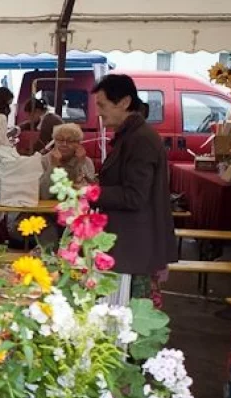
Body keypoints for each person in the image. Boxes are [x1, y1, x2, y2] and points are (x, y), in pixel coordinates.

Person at [92, 74, 176, 307]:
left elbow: (135, 196)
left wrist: (91, 192)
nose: (98, 112)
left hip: (134, 249)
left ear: (125, 102)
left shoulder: (140, 139)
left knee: (130, 321)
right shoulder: (130, 136)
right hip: (129, 246)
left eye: (102, 105)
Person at [39, 123, 95, 200]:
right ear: (54, 141)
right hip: (48, 209)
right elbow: (43, 195)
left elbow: (89, 192)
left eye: (70, 141)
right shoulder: (44, 160)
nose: (64, 144)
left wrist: (81, 164)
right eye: (60, 140)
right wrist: (53, 167)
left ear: (78, 144)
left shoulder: (86, 161)